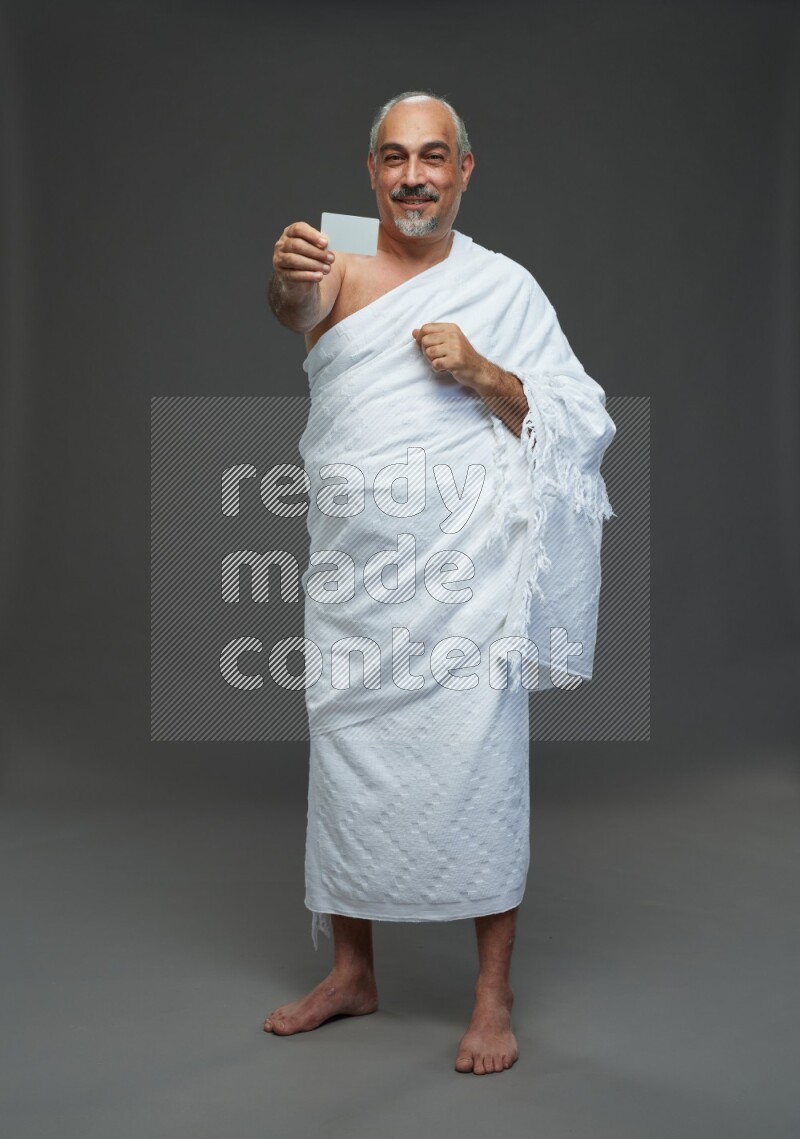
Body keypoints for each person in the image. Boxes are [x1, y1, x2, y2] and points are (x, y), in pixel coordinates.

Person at [263, 91, 615, 1075]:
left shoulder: (505, 286)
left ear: (463, 170)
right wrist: (283, 278)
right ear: (369, 171)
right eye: (391, 157)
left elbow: (577, 418)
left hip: (468, 586)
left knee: (480, 772)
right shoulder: (330, 261)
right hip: (354, 579)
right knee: (345, 767)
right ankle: (350, 972)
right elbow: (295, 310)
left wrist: (485, 373)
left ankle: (490, 993)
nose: (411, 174)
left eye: (431, 156)